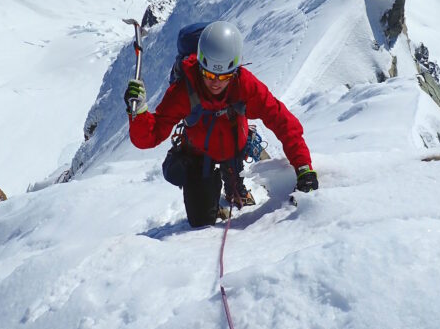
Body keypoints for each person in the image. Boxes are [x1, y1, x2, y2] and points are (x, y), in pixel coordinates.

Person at [124, 21, 318, 227]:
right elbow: (150, 137)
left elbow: (282, 121)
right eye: (209, 74)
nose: (215, 82)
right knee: (200, 221)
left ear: (235, 70)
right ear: (200, 65)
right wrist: (139, 112)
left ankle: (235, 174)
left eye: (224, 76)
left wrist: (303, 167)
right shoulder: (184, 91)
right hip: (200, 153)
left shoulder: (244, 84)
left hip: (234, 144)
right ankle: (223, 182)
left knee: (234, 171)